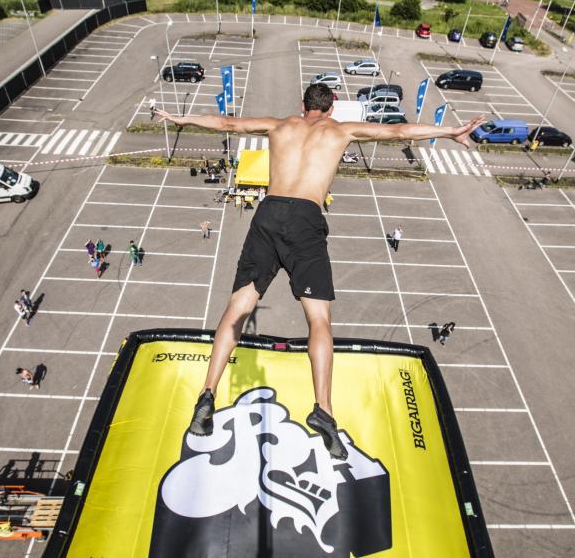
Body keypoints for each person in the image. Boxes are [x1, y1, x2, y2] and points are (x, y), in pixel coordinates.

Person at [155, 87, 483, 461]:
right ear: (330, 110)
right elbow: (398, 132)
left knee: (238, 307)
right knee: (319, 319)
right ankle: (323, 409)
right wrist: (450, 131)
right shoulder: (339, 130)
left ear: (303, 106)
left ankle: (207, 393)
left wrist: (182, 118)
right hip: (305, 219)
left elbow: (226, 122)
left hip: (269, 212)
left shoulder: (279, 125)